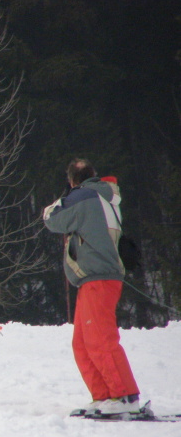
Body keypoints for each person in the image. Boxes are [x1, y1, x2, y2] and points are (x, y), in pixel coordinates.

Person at [42, 158, 141, 414]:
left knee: (100, 339)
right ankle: (104, 396)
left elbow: (52, 219)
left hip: (98, 278)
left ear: (72, 180)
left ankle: (125, 397)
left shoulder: (84, 196)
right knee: (83, 343)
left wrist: (64, 197)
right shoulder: (105, 196)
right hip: (97, 278)